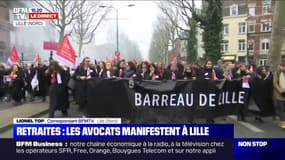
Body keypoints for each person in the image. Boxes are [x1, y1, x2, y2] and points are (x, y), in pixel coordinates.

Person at [273, 63, 285, 128]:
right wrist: (280, 91)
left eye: (284, 66)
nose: (283, 68)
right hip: (280, 95)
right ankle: (283, 122)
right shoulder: (277, 73)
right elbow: (275, 83)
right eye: (282, 66)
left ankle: (282, 121)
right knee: (281, 108)